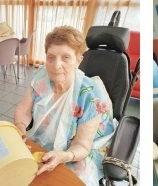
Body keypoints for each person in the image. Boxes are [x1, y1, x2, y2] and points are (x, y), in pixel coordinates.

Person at [14, 26, 115, 184]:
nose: (56, 65)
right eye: (51, 57)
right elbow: (23, 109)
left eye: (66, 57)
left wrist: (64, 156)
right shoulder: (40, 77)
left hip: (79, 150)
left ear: (78, 60)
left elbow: (82, 145)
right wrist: (20, 126)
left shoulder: (90, 95)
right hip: (44, 140)